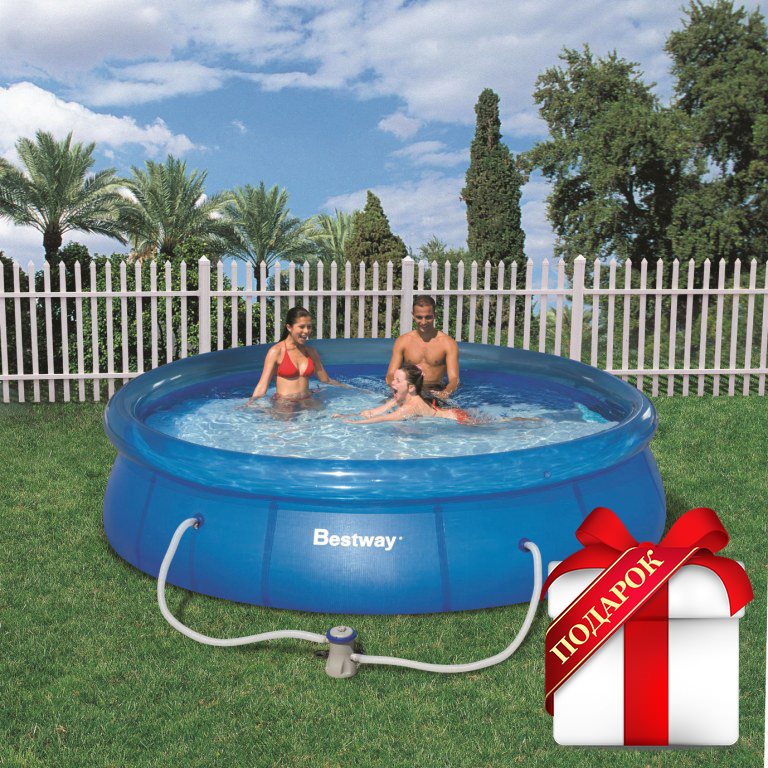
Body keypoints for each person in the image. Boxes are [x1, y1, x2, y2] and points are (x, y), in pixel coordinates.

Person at [247, 306, 341, 403]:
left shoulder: (310, 352)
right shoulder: (276, 351)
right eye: (302, 327)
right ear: (289, 327)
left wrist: (347, 387)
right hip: (285, 405)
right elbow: (262, 386)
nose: (306, 331)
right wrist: (250, 404)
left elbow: (325, 380)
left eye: (309, 327)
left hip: (307, 402)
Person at [341, 364, 473, 425]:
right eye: (394, 379)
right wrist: (348, 415)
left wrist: (355, 423)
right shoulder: (398, 399)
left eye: (398, 381)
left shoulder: (410, 407)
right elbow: (374, 412)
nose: (392, 383)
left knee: (479, 427)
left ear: (411, 388)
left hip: (458, 418)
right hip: (445, 412)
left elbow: (383, 418)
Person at [385, 295, 459, 398]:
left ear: (435, 315)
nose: (423, 322)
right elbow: (390, 374)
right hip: (408, 391)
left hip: (435, 392)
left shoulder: (448, 343)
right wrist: (396, 388)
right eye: (419, 317)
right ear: (413, 315)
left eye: (428, 317)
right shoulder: (403, 341)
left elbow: (454, 379)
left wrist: (445, 393)